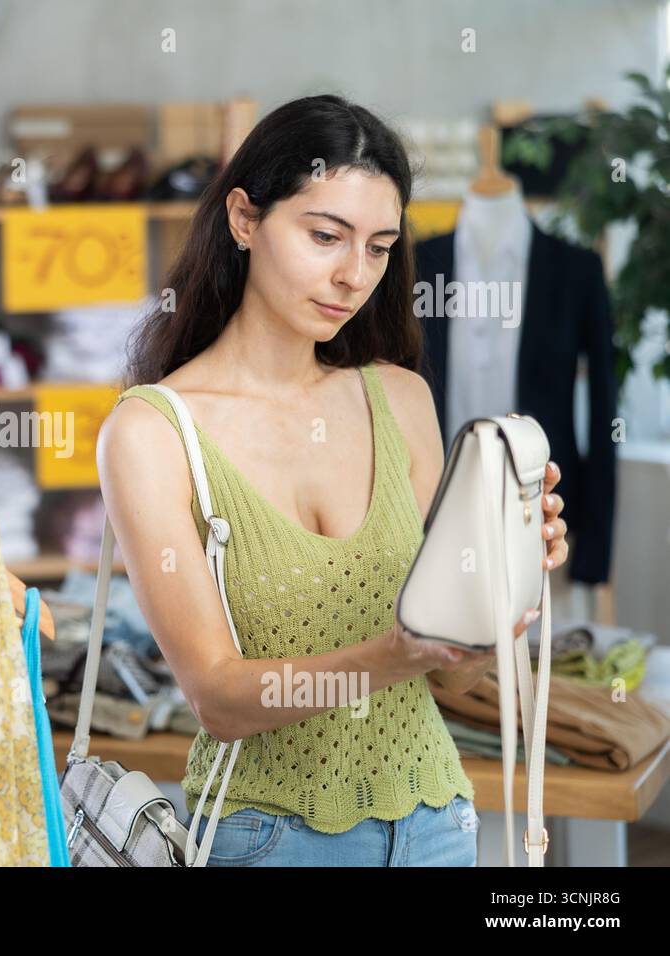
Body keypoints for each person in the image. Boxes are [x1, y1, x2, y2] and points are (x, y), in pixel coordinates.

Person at [96, 94, 569, 866]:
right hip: (268, 838)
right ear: (245, 219)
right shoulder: (153, 432)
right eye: (325, 236)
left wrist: (505, 583)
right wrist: (393, 654)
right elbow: (217, 700)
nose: (354, 275)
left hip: (437, 822)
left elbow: (457, 678)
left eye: (380, 247)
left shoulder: (402, 398)